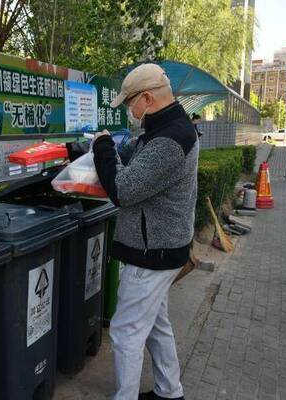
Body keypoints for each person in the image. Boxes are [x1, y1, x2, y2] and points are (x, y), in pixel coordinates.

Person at [91, 64, 198, 400]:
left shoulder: (169, 140)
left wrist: (103, 149)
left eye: (129, 103)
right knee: (155, 325)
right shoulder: (168, 129)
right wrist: (91, 152)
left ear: (148, 98)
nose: (128, 110)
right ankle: (170, 390)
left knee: (125, 332)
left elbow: (124, 189)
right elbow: (134, 159)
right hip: (165, 246)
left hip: (151, 253)